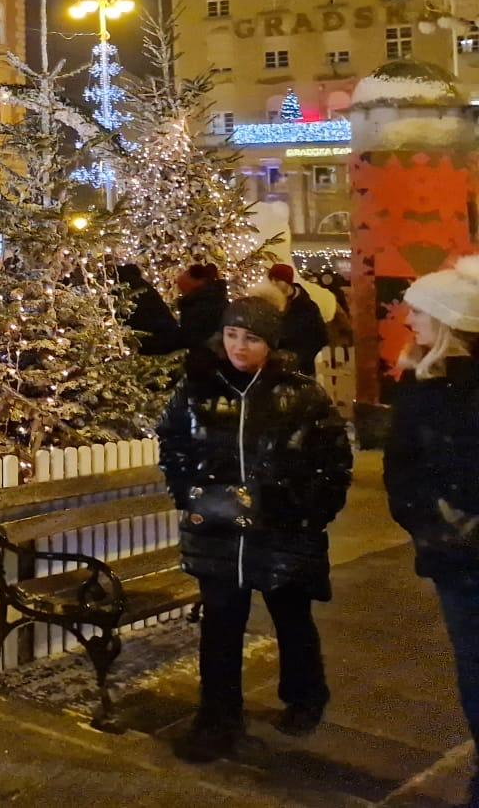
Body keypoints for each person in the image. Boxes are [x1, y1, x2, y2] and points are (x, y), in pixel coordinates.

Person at [158, 291, 354, 760]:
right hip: (219, 529)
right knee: (221, 623)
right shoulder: (197, 388)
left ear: (271, 343)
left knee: (291, 616)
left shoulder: (300, 393)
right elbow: (173, 441)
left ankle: (305, 695)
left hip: (283, 527)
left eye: (250, 338)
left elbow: (333, 458)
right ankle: (218, 717)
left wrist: (310, 509)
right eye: (231, 335)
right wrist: (189, 492)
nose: (239, 347)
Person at [385, 255, 479, 804]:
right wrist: (428, 523)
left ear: (448, 319)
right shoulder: (418, 383)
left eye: (418, 311)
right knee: (472, 662)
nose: (408, 320)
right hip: (454, 559)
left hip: (461, 550)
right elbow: (402, 470)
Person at [268, 262, 333, 372]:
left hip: (301, 368)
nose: (274, 283)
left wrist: (302, 359)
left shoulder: (308, 307)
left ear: (288, 282)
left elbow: (321, 338)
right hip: (274, 368)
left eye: (278, 280)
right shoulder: (269, 304)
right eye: (272, 280)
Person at [173, 261, 232, 353]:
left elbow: (194, 338)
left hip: (209, 359)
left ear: (197, 282)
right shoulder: (206, 298)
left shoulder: (203, 304)